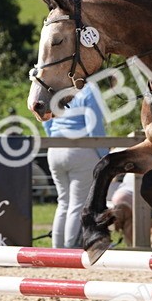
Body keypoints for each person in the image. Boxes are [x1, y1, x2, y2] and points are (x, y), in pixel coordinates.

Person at [43, 86, 106, 248]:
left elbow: (45, 120)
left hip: (55, 150)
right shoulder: (89, 89)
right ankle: (71, 250)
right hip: (80, 149)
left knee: (63, 202)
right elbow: (95, 125)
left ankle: (57, 250)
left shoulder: (58, 89)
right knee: (78, 204)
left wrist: (54, 139)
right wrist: (104, 155)